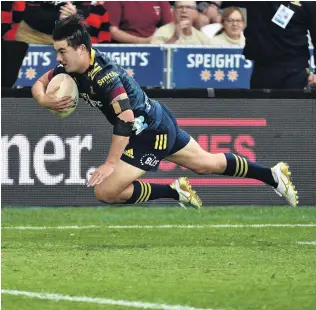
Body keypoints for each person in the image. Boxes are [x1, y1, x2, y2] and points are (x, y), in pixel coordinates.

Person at [31, 15, 299, 208]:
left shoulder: (105, 77)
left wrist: (111, 163)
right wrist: (44, 101)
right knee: (206, 164)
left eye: (62, 51)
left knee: (105, 191)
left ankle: (173, 191)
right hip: (156, 119)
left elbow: (125, 120)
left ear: (81, 49)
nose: (59, 58)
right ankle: (272, 175)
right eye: (57, 52)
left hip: (150, 132)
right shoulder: (71, 66)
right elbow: (39, 83)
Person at [221, 1, 316, 89]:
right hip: (263, 68)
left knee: (292, 106)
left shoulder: (308, 3)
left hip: (295, 70)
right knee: (263, 107)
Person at [104, 1, 172, 44]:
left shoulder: (161, 2)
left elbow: (169, 27)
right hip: (123, 49)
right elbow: (112, 31)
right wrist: (144, 41)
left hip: (153, 47)